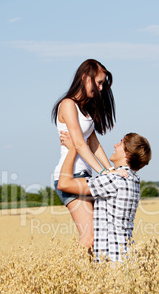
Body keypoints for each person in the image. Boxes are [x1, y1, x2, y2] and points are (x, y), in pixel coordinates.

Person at [52, 59, 118, 250]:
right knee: (89, 237)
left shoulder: (85, 108)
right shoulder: (67, 105)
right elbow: (79, 144)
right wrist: (103, 172)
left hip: (85, 176)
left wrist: (109, 170)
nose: (100, 87)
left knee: (98, 236)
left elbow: (93, 142)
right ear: (84, 77)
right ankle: (79, 277)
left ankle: (93, 276)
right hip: (69, 176)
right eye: (98, 82)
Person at [58, 132, 152, 262]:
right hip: (125, 257)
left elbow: (64, 184)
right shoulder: (133, 179)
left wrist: (73, 149)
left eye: (120, 143)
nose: (115, 145)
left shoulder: (115, 179)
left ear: (128, 153)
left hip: (112, 260)